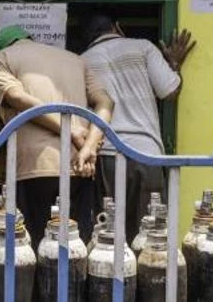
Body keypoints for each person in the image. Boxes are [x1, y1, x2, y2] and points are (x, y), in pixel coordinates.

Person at [0, 25, 114, 249]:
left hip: (34, 168)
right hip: (81, 166)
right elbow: (106, 102)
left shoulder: (0, 59)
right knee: (76, 247)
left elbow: (16, 97)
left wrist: (71, 130)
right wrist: (90, 146)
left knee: (37, 247)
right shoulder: (76, 59)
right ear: (29, 39)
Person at [81, 14, 196, 243]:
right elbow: (169, 91)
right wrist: (174, 64)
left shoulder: (82, 60)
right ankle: (146, 277)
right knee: (150, 233)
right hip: (147, 154)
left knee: (109, 233)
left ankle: (113, 277)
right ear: (117, 27)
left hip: (107, 156)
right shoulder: (142, 47)